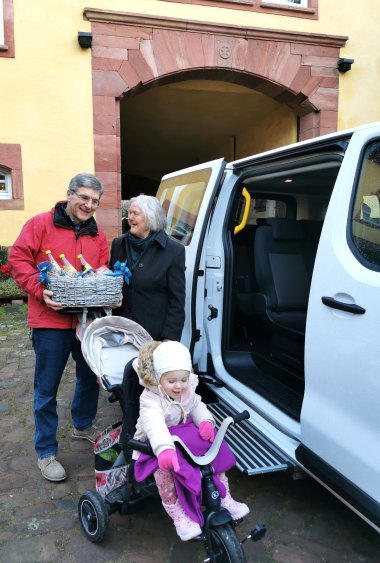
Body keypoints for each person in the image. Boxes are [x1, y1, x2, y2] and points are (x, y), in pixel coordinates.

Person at [8, 173, 109, 482]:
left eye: (94, 201)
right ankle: (46, 451)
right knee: (47, 388)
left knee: (91, 377)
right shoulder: (41, 224)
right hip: (49, 320)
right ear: (69, 194)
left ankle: (82, 424)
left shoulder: (97, 235)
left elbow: (102, 269)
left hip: (85, 321)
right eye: (84, 198)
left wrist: (106, 285)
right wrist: (40, 292)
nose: (89, 205)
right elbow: (17, 259)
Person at [132, 341, 250, 541]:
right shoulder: (150, 399)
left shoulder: (186, 390)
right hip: (156, 442)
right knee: (164, 472)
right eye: (171, 381)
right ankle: (177, 512)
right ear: (158, 378)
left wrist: (204, 420)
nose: (179, 386)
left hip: (183, 434)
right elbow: (154, 425)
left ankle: (223, 496)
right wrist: (163, 448)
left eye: (183, 379)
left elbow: (196, 405)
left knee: (215, 447)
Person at [110, 195, 185, 341]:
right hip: (120, 332)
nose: (129, 218)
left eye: (135, 213)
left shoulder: (174, 251)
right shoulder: (118, 244)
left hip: (152, 336)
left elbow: (176, 302)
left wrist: (169, 339)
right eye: (129, 213)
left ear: (151, 217)